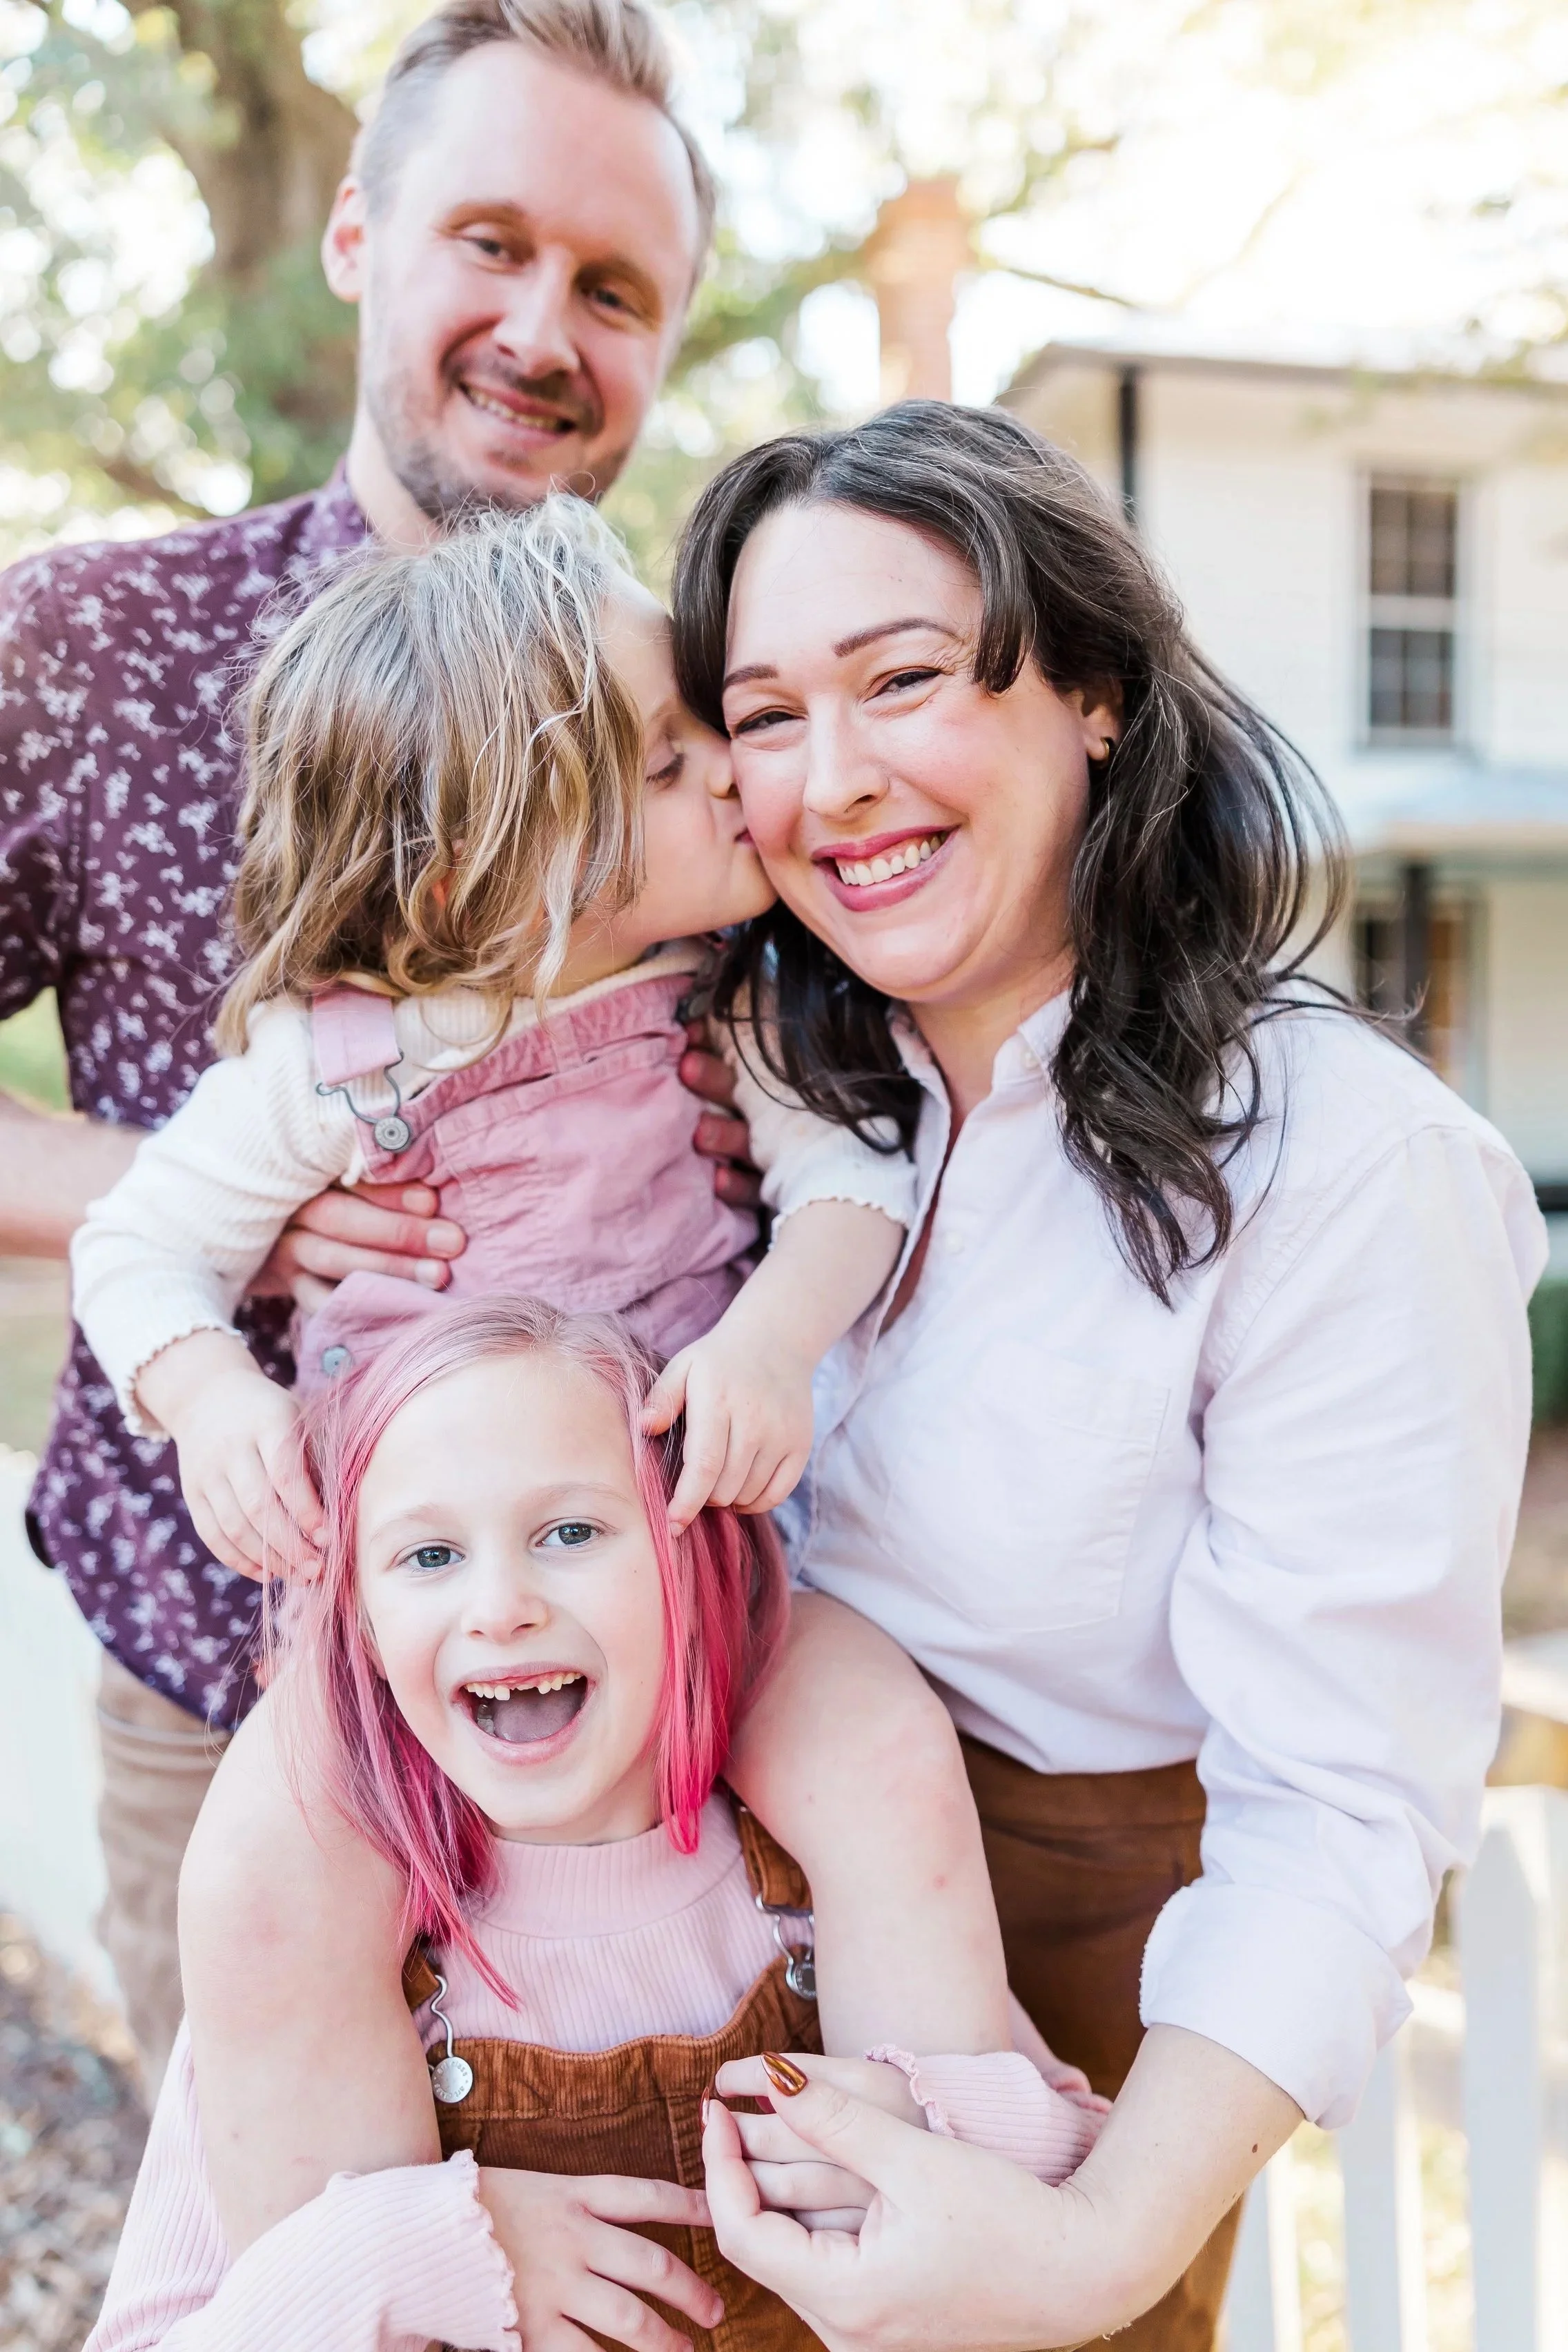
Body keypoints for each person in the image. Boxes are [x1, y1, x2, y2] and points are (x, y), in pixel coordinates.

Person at [650, 400, 1542, 2351]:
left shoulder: (1345, 1164)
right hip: (671, 2010)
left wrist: (1089, 2254)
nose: (838, 780)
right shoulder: (739, 1091)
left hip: (1043, 2085)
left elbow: (1338, 1807)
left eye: (905, 681)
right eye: (769, 714)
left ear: (1100, 693)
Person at [0, 0, 731, 2089]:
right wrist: (219, 1209)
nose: (542, 328)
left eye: (613, 290)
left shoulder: (697, 708)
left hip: (651, 1698)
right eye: (488, 243)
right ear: (354, 239)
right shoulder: (96, 648)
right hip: (230, 1678)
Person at [88, 1299, 1104, 2352]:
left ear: (688, 1567)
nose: (502, 1605)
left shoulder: (796, 1866)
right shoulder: (330, 1930)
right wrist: (415, 2248)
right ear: (368, 1631)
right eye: (428, 1557)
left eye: (570, 1533)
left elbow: (1076, 2146)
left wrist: (929, 2125)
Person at [69, 498, 917, 1571]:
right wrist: (212, 1399)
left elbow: (850, 1181)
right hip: (440, 1608)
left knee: (874, 1731)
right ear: (472, 882)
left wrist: (771, 1344)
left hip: (694, 1560)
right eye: (663, 764)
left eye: (704, 721)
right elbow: (138, 1247)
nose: (727, 764)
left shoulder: (731, 989)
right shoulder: (340, 1064)